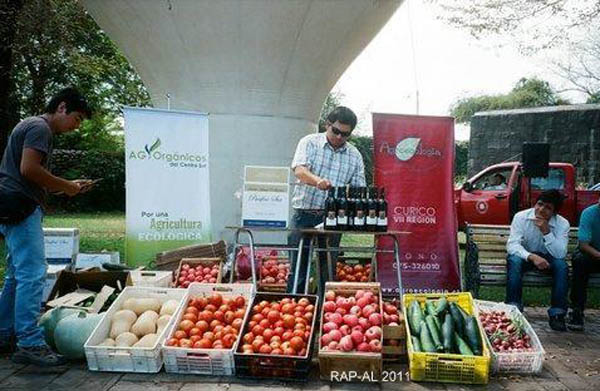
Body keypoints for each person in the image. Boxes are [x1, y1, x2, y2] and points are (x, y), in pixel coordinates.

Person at [0, 87, 93, 366]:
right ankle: (29, 342)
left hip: (12, 204)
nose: (76, 126)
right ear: (62, 107)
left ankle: (5, 333)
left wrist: (68, 188)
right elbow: (29, 169)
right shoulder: (40, 128)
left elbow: (30, 174)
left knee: (16, 275)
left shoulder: (31, 125)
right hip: (20, 207)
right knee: (33, 273)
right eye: (76, 118)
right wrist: (66, 185)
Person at [287, 106, 365, 295]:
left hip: (332, 219)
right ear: (327, 125)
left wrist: (354, 205)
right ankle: (295, 305)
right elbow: (299, 170)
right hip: (304, 214)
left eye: (344, 134)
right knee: (298, 265)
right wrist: (317, 181)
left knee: (328, 268)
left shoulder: (354, 155)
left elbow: (359, 188)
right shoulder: (309, 142)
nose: (339, 137)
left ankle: (324, 312)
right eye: (336, 131)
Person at [505, 189, 570, 331]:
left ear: (554, 212)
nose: (541, 210)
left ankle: (557, 314)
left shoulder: (562, 224)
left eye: (548, 208)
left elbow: (560, 254)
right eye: (539, 204)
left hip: (549, 258)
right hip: (526, 256)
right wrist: (532, 257)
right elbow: (512, 245)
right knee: (514, 261)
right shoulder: (521, 217)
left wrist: (546, 232)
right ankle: (513, 308)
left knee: (562, 266)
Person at [567, 197, 600, 331]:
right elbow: (583, 245)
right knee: (580, 260)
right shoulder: (589, 213)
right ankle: (577, 310)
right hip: (591, 254)